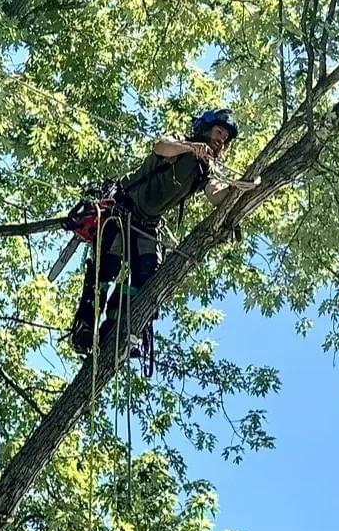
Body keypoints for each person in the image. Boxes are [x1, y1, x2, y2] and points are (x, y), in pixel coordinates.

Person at [68, 108, 241, 356]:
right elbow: (161, 147)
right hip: (123, 210)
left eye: (225, 137)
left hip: (148, 226)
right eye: (218, 131)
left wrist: (241, 193)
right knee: (106, 269)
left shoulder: (206, 169)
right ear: (204, 128)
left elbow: (215, 193)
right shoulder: (180, 143)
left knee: (146, 278)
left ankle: (117, 330)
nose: (220, 139)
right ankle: (84, 328)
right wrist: (191, 148)